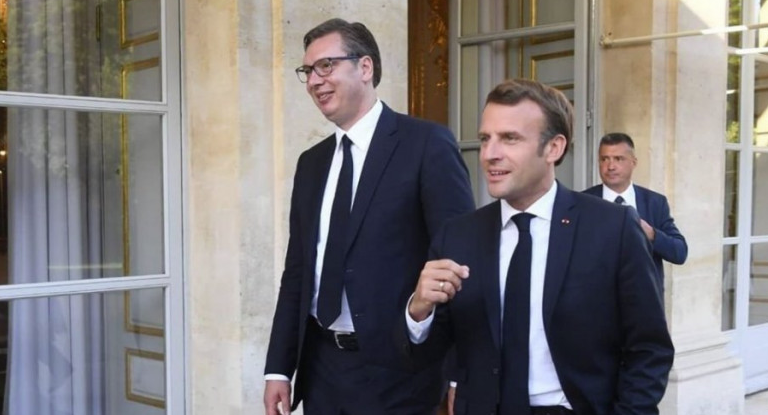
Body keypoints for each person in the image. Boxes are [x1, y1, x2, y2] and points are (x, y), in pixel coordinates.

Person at [400, 79, 674, 415]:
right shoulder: (457, 236)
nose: (490, 154)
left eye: (510, 138)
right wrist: (419, 311)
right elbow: (426, 357)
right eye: (486, 138)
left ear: (553, 148)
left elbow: (649, 348)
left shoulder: (612, 228)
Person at [263, 18, 475, 415]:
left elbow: (459, 262)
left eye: (326, 65)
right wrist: (278, 368)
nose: (314, 80)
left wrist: (458, 373)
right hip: (322, 371)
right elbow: (298, 272)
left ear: (365, 67)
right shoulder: (311, 164)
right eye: (308, 71)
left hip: (399, 373)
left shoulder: (426, 144)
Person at [583, 132, 687, 296]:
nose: (610, 166)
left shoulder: (655, 203)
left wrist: (651, 234)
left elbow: (679, 253)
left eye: (618, 159)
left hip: (643, 301)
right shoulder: (583, 202)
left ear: (634, 162)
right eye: (604, 159)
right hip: (595, 301)